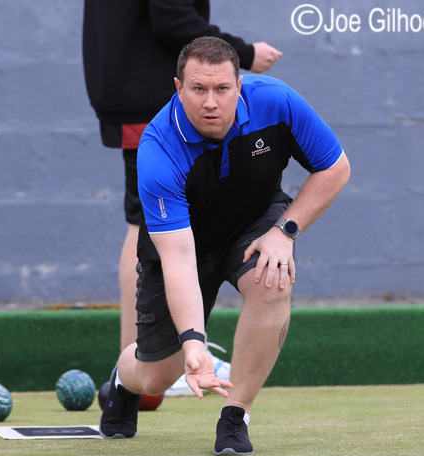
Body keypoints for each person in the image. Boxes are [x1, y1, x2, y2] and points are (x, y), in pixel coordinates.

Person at [99, 37, 351, 455]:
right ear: (178, 88)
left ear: (241, 85)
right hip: (184, 244)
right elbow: (179, 259)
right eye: (198, 89)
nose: (211, 102)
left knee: (273, 280)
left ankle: (236, 415)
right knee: (158, 376)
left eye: (222, 89)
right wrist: (194, 343)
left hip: (254, 220)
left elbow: (335, 167)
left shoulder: (277, 102)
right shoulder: (159, 148)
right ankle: (122, 382)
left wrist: (285, 231)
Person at [81, 1, 282, 355]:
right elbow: (171, 18)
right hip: (148, 95)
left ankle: (141, 360)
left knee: (143, 223)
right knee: (143, 225)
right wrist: (245, 52)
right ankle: (144, 359)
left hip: (129, 85)